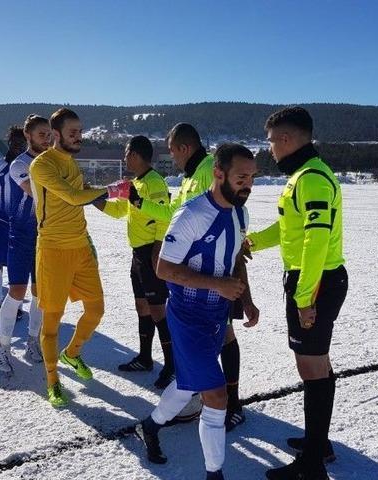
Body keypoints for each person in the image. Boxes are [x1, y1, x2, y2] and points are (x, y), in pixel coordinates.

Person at [135, 143, 259, 480]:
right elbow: (163, 268)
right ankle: (213, 474)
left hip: (217, 316)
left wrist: (245, 299)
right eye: (241, 177)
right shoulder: (191, 214)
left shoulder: (240, 213)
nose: (248, 185)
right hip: (187, 317)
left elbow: (235, 258)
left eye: (252, 178)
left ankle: (150, 426)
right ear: (218, 173)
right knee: (216, 396)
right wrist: (217, 286)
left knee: (189, 385)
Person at [119, 123, 248, 428]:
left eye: (173, 150)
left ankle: (232, 403)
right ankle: (205, 397)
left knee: (225, 335)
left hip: (216, 271)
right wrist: (140, 204)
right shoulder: (191, 177)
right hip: (196, 275)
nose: (171, 158)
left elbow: (228, 215)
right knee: (204, 339)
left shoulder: (207, 171)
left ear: (184, 148)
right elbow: (175, 215)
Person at [246, 107, 347, 480]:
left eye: (272, 141)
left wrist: (305, 298)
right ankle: (318, 444)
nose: (270, 149)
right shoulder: (303, 177)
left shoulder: (313, 180)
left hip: (315, 281)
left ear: (287, 140)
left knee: (311, 366)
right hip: (311, 280)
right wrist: (253, 241)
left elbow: (316, 241)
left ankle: (312, 466)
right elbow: (290, 228)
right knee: (317, 363)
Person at [29, 108, 116, 407]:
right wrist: (112, 190)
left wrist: (117, 198)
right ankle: (53, 380)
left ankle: (72, 353)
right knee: (52, 321)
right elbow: (72, 197)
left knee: (96, 310)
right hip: (53, 251)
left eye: (80, 131)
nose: (79, 136)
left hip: (80, 247)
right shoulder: (42, 165)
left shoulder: (71, 164)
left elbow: (82, 193)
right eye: (73, 132)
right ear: (56, 135)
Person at [93, 136, 175, 388]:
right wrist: (94, 200)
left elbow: (165, 218)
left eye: (127, 153)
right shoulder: (136, 183)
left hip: (151, 251)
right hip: (138, 254)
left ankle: (172, 365)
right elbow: (121, 211)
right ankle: (145, 358)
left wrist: (158, 250)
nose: (124, 158)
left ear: (137, 155)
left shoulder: (154, 182)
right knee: (142, 306)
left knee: (159, 308)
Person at [0, 114, 51, 373]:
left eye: (49, 134)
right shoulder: (20, 164)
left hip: (44, 236)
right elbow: (37, 193)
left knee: (40, 295)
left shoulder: (51, 162)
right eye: (41, 134)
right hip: (21, 235)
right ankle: (3, 348)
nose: (47, 138)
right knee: (17, 292)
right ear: (28, 136)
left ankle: (32, 341)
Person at [0, 126, 27, 320]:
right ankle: (0, 304)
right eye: (15, 142)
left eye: (22, 142)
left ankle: (15, 306)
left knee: (17, 268)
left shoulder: (30, 165)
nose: (18, 146)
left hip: (22, 225)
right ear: (8, 142)